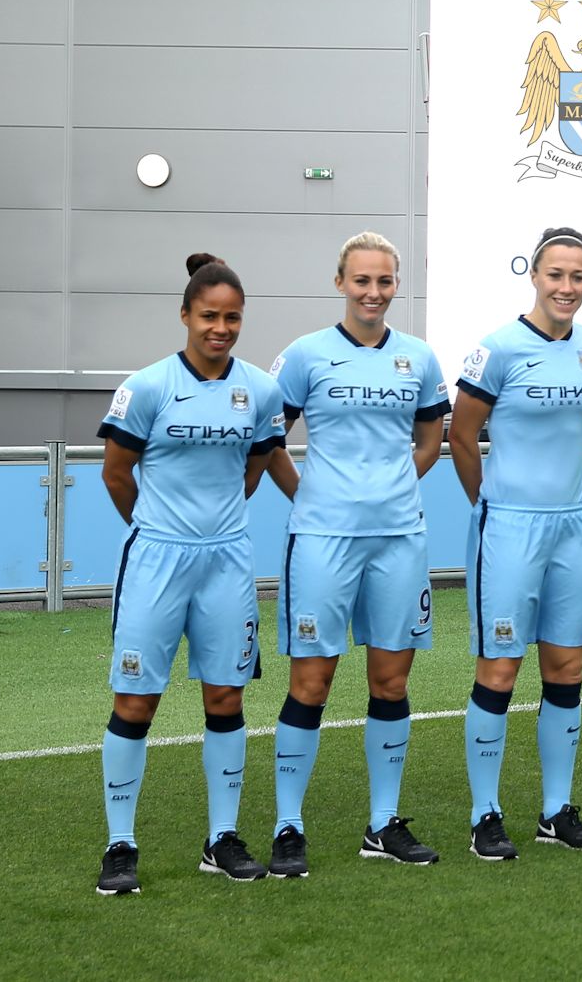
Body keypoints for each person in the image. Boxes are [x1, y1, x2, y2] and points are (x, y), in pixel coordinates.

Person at [94, 253, 286, 895]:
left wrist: (214, 527)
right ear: (185, 315)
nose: (221, 328)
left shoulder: (260, 389)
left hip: (227, 560)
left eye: (232, 318)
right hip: (156, 558)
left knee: (226, 698)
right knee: (135, 701)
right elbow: (116, 473)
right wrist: (156, 527)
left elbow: (254, 468)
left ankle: (222, 838)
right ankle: (120, 844)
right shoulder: (147, 387)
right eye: (209, 316)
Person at [260, 232, 450, 877]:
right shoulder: (305, 357)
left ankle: (382, 823)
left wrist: (396, 487)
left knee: (390, 681)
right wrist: (307, 494)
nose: (374, 293)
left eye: (385, 281)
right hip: (322, 541)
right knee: (312, 682)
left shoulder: (419, 358)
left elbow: (432, 435)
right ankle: (289, 824)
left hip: (398, 538)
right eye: (362, 280)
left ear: (398, 285)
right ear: (341, 281)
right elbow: (270, 440)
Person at [449, 226, 582, 859]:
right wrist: (489, 507)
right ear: (535, 276)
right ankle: (484, 814)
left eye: (577, 276)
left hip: (575, 525)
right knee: (500, 667)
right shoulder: (498, 350)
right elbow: (462, 436)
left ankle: (555, 810)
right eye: (556, 275)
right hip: (510, 526)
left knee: (567, 667)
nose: (567, 287)